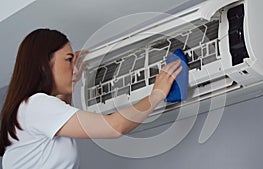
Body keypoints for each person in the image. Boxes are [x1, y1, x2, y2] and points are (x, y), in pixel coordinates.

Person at [0, 28, 182, 168]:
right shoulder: (36, 104)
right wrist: (156, 95)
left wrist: (71, 82)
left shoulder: (30, 110)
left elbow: (63, 113)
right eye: (68, 60)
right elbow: (115, 127)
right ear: (44, 65)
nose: (75, 68)